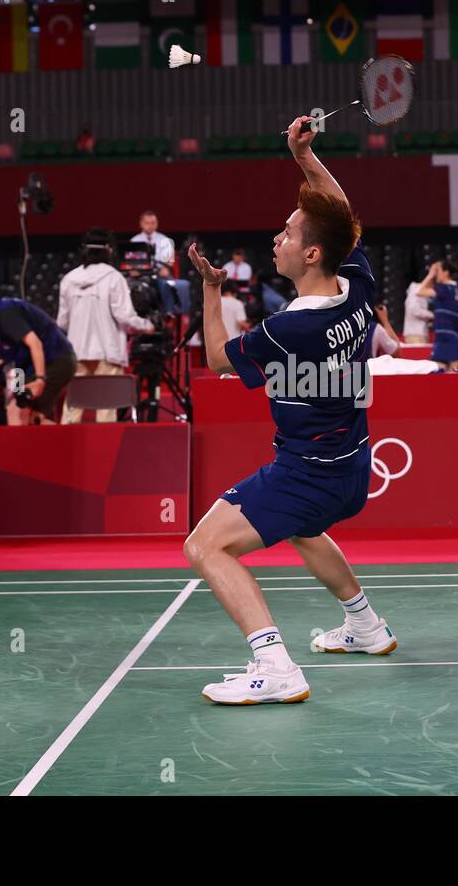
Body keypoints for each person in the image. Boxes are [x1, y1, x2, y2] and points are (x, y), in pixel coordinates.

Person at [182, 116, 396, 706]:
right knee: (301, 529)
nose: (276, 238)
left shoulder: (288, 328)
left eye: (286, 232)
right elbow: (340, 212)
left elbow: (221, 358)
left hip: (306, 474)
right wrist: (304, 156)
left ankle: (274, 666)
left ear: (311, 253)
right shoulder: (356, 286)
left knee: (203, 546)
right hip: (352, 470)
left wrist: (210, 289)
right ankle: (366, 626)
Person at [55, 228, 154, 423]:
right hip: (107, 353)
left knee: (72, 408)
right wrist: (147, 325)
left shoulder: (68, 279)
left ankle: (64, 449)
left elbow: (62, 322)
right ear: (108, 249)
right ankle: (105, 451)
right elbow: (125, 317)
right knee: (106, 410)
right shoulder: (114, 278)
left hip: (77, 352)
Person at [0, 282, 77, 425]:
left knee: (20, 414)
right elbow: (17, 363)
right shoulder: (1, 319)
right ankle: (62, 443)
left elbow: (35, 343)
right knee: (24, 413)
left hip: (55, 362)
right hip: (38, 366)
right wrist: (16, 390)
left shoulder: (5, 311)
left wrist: (40, 380)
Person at [418, 261, 458, 370]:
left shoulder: (444, 288)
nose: (436, 274)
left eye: (438, 271)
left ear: (445, 273)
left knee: (440, 373)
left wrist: (430, 275)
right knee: (452, 373)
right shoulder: (455, 291)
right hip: (454, 339)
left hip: (444, 338)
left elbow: (420, 291)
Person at [402, 261, 437, 343]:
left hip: (421, 332)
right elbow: (414, 310)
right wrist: (433, 315)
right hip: (415, 333)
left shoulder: (423, 293)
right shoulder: (415, 289)